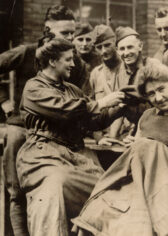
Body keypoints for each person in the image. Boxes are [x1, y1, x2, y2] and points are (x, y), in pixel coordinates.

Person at [72, 62, 168, 236]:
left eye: (161, 89)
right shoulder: (146, 116)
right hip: (139, 182)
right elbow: (139, 157)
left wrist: (163, 153)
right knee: (98, 211)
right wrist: (136, 148)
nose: (158, 98)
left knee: (135, 224)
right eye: (151, 94)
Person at [17, 36, 123, 236]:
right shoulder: (34, 87)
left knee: (107, 188)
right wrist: (101, 102)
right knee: (56, 184)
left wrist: (120, 107)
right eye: (68, 59)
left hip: (75, 157)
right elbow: (64, 110)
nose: (73, 64)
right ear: (52, 61)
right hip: (43, 157)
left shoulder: (72, 90)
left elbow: (91, 121)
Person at [0, 5, 87, 236]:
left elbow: (81, 104)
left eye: (73, 33)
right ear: (48, 31)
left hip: (59, 136)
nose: (72, 38)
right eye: (65, 33)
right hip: (22, 126)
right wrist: (4, 103)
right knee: (17, 191)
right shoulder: (27, 52)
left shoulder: (75, 63)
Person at [90, 24, 130, 145]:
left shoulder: (128, 69)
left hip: (126, 137)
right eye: (99, 47)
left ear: (115, 44)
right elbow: (91, 110)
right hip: (105, 141)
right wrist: (99, 138)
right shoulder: (96, 74)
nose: (104, 51)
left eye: (107, 45)